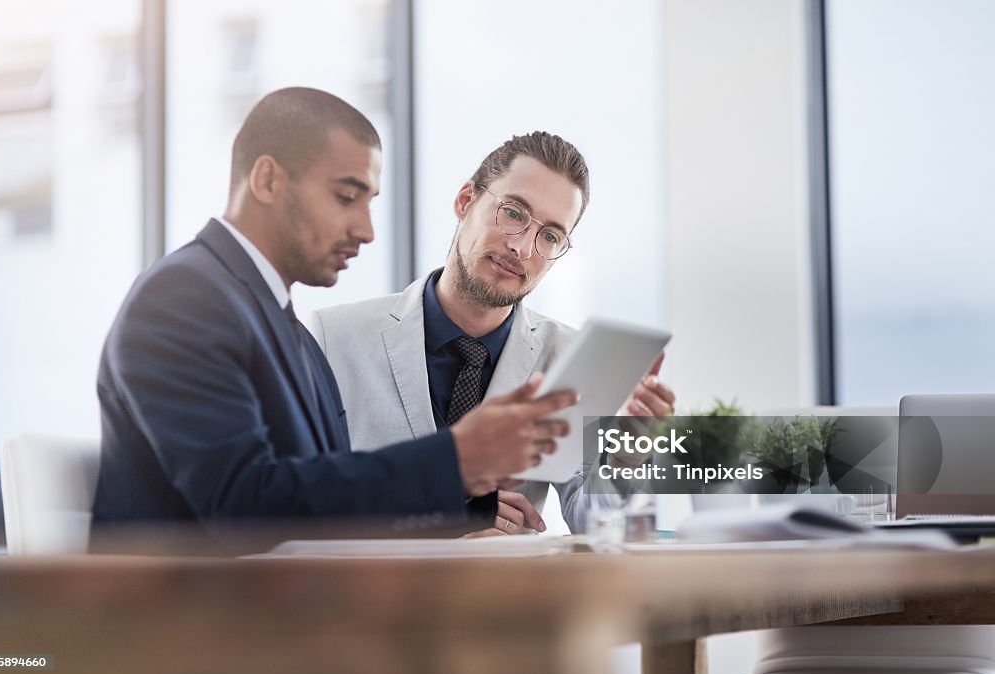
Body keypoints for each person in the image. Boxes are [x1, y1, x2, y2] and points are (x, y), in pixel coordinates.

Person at [92, 89, 578, 532]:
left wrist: (647, 443)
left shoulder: (286, 329)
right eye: (346, 197)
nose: (367, 231)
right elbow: (242, 505)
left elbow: (319, 494)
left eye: (551, 235)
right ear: (266, 180)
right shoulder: (186, 300)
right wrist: (456, 460)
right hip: (207, 621)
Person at [310, 131, 676, 534]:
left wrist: (626, 455)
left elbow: (598, 524)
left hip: (505, 595)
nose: (522, 247)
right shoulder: (333, 338)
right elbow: (293, 504)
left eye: (550, 236)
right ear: (465, 201)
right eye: (514, 213)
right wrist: (442, 512)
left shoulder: (568, 357)